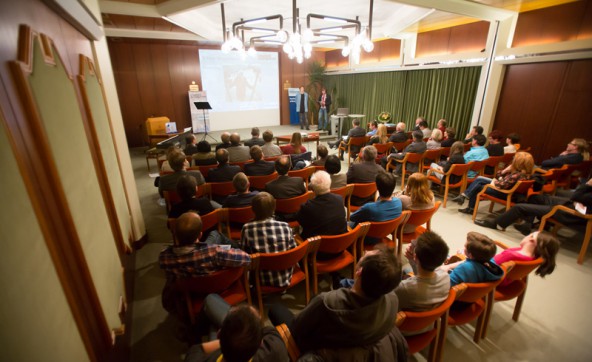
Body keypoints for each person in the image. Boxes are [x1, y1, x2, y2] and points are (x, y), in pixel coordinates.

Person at [268, 247, 407, 360]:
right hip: (350, 344)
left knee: (275, 309)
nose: (364, 252)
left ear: (359, 271)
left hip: (319, 348)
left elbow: (297, 330)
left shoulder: (326, 302)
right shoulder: (392, 301)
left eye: (366, 255)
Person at [159, 212, 251, 314]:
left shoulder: (165, 258)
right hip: (221, 289)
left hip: (193, 293)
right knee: (215, 234)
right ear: (200, 234)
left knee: (215, 235)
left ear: (175, 234)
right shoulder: (214, 252)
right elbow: (246, 258)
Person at [474, 177, 592, 235]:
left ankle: (496, 223)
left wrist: (587, 184)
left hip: (569, 212)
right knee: (535, 198)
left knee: (519, 207)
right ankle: (528, 224)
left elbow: (576, 196)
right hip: (574, 205)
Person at [185, 297, 289, 362]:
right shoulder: (275, 347)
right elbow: (266, 330)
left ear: (219, 334)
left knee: (210, 305)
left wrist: (227, 341)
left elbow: (197, 349)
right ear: (260, 343)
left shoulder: (194, 358)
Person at [241, 192, 297, 288]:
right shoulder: (285, 226)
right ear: (274, 208)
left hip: (261, 279)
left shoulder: (247, 229)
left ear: (253, 209)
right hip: (286, 276)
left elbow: (245, 255)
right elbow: (293, 251)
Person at [455, 151, 534, 215]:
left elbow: (501, 185)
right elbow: (499, 178)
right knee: (479, 180)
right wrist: (504, 171)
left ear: (518, 163)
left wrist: (497, 179)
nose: (513, 160)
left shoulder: (517, 175)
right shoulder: (526, 174)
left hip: (504, 193)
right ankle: (465, 198)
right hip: (509, 192)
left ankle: (468, 203)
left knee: (478, 186)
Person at [397, 231, 450, 312]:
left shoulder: (405, 288)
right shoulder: (445, 278)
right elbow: (422, 278)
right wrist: (412, 260)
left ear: (415, 256)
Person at [350, 172, 402, 245]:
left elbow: (352, 217)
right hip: (384, 234)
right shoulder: (398, 202)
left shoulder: (369, 207)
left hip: (365, 238)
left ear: (377, 187)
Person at [493, 231, 560, 286]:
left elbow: (492, 263)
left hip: (495, 280)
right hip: (507, 279)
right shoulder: (533, 257)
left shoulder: (512, 256)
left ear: (532, 240)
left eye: (529, 234)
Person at [297, 171, 347, 240]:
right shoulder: (339, 199)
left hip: (315, 248)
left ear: (313, 189)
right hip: (340, 245)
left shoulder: (307, 207)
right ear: (330, 184)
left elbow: (301, 222)